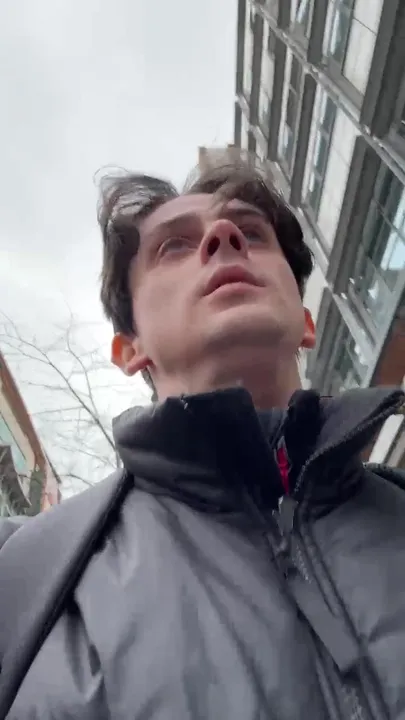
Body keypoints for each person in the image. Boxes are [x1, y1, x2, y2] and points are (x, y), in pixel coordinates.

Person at [0, 156, 404, 720]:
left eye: (252, 234)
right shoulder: (24, 581)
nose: (224, 237)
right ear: (129, 348)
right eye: (173, 246)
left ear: (307, 322)